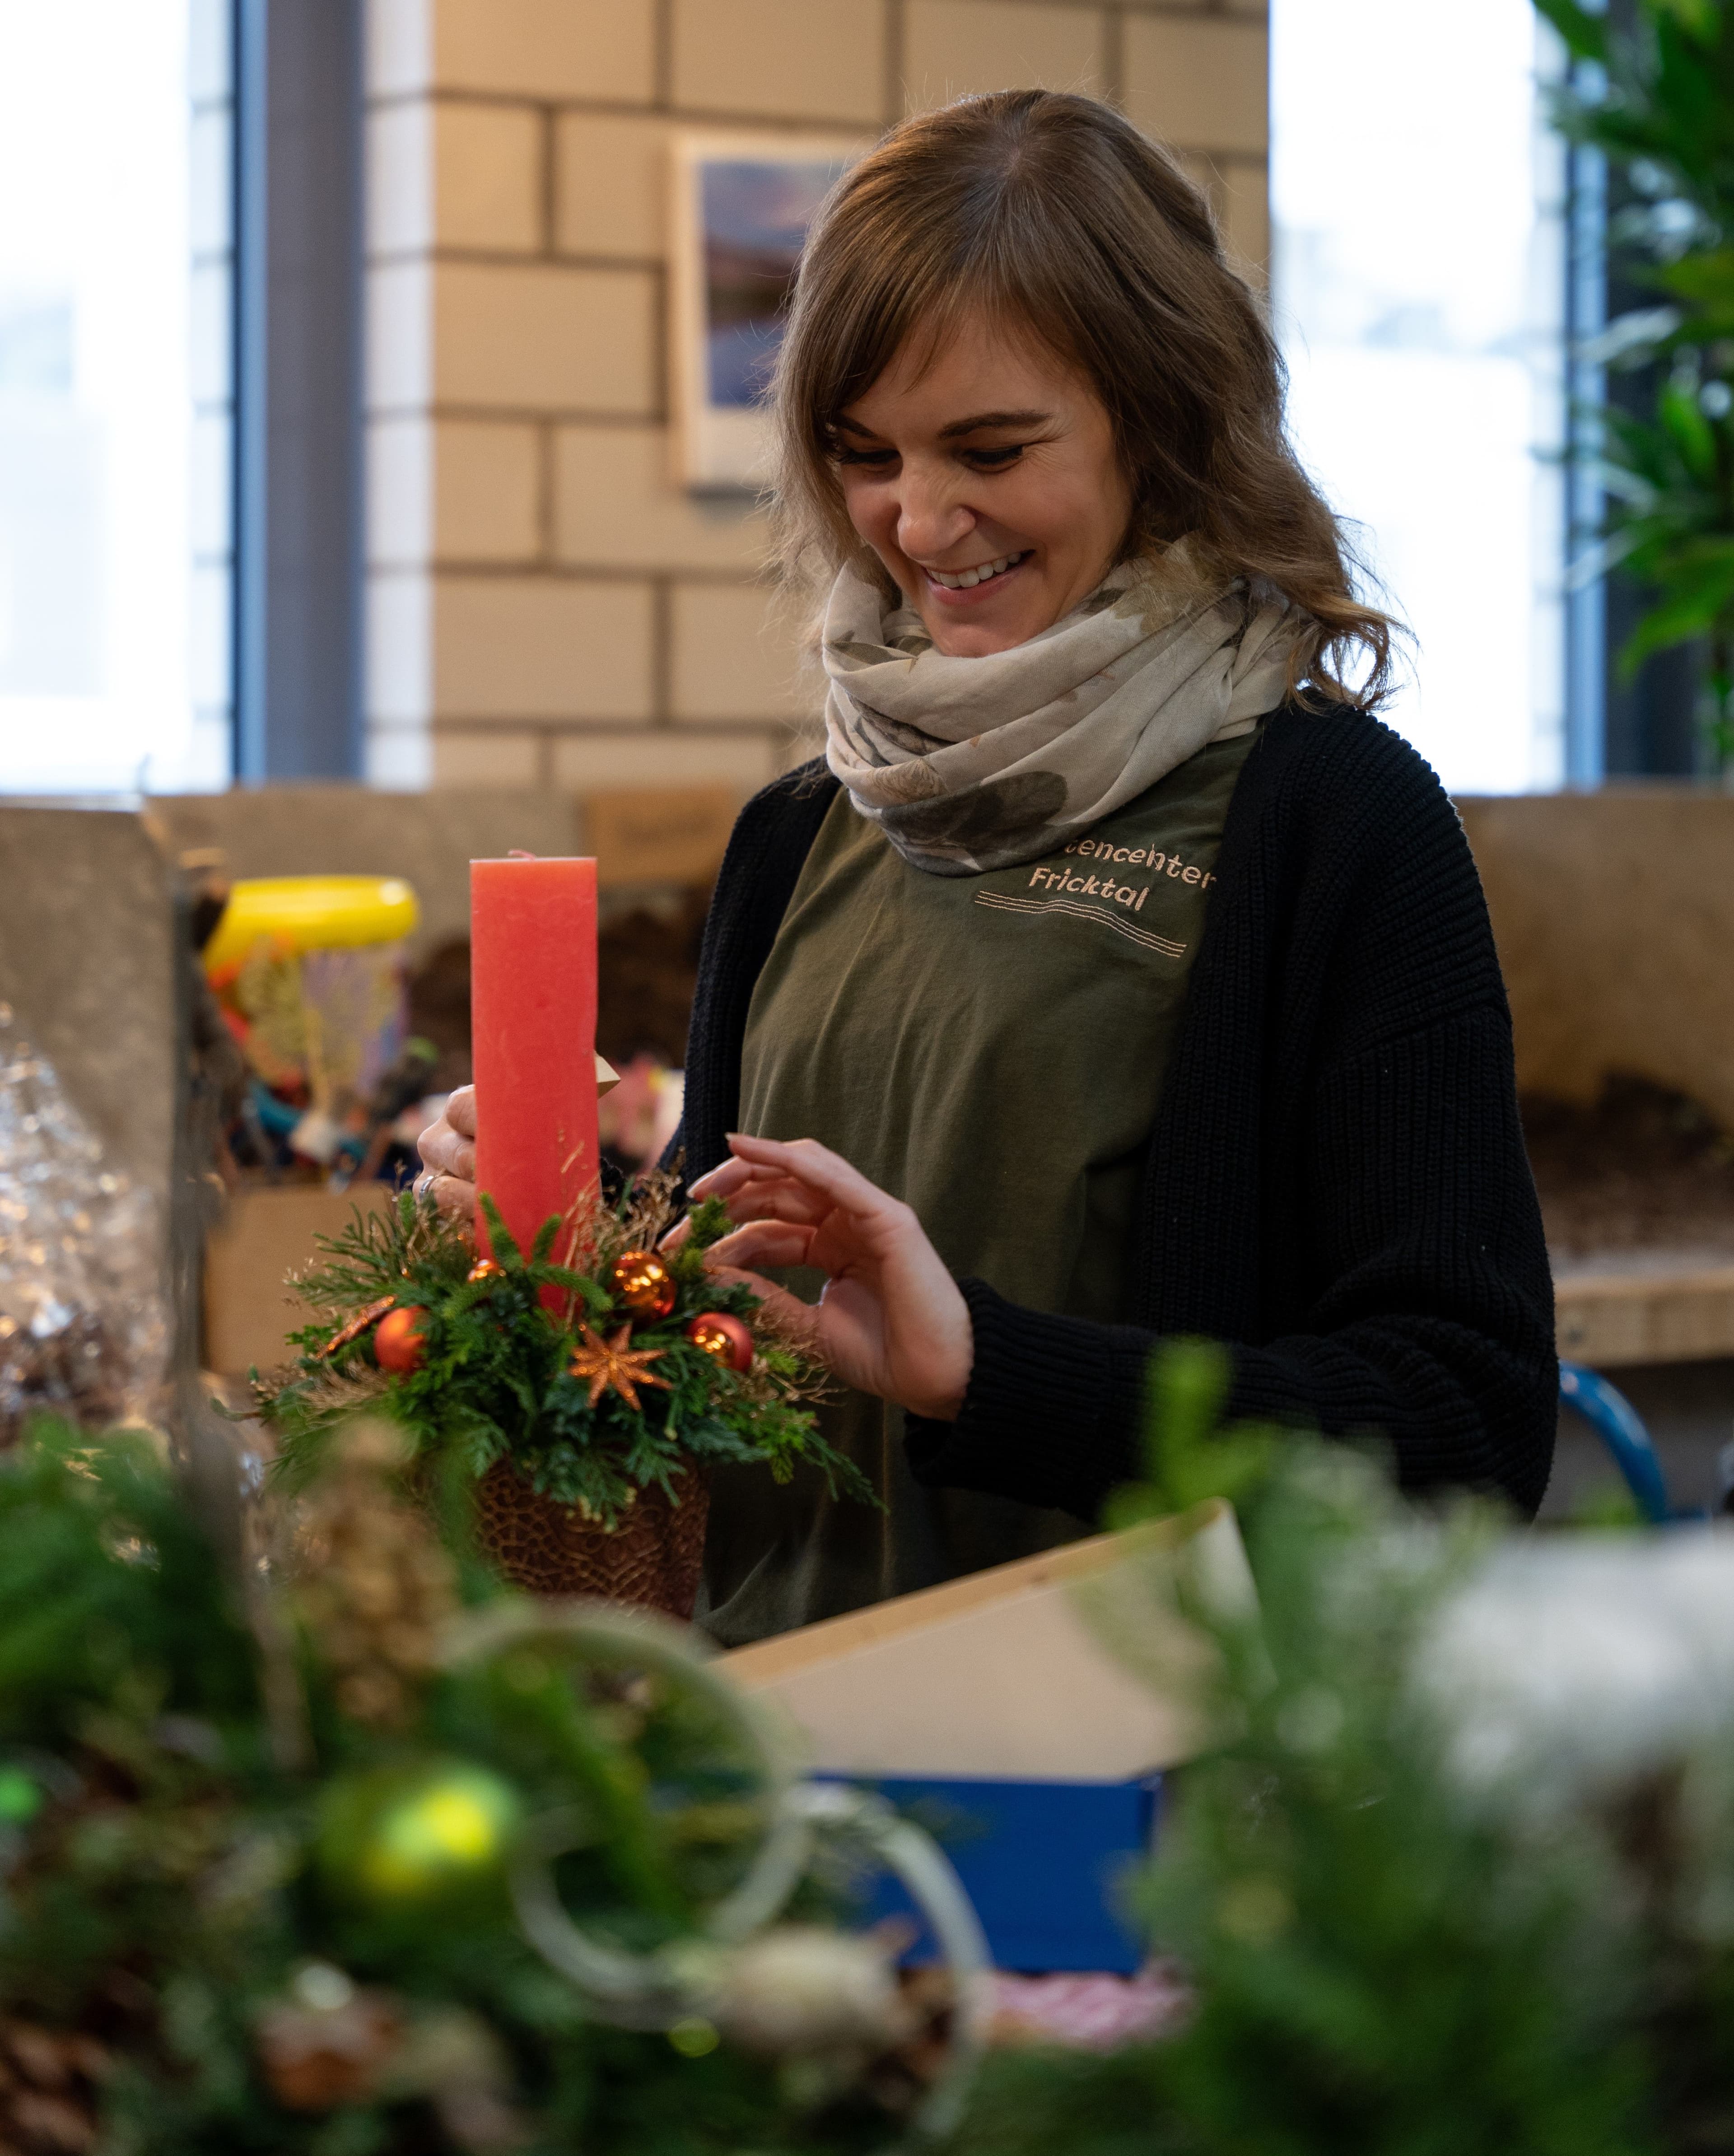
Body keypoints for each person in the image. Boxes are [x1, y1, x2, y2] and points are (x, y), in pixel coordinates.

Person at [418, 90, 1556, 1646]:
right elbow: (722, 1348)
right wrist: (569, 1245)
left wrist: (990, 1374)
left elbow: (1468, 1430)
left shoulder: (1331, 824)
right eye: (865, 453)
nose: (920, 519)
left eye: (991, 448)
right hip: (776, 1752)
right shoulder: (804, 831)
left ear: (1161, 421)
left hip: (1147, 1807)